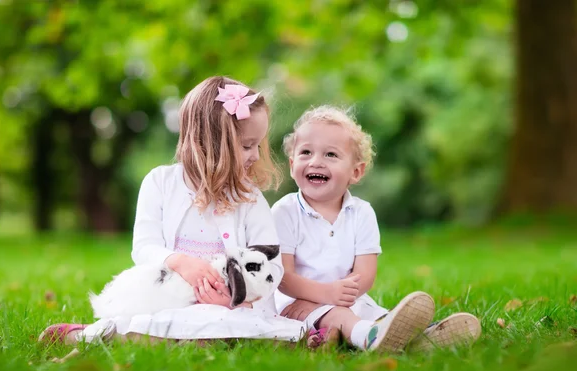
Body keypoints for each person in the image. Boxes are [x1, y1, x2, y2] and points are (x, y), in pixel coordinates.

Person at [39, 76, 304, 345]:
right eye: (247, 146)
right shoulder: (160, 183)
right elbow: (144, 247)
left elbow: (271, 264)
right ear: (209, 142)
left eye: (257, 145)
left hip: (234, 309)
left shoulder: (249, 198)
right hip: (172, 303)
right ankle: (90, 336)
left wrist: (235, 299)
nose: (256, 156)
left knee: (255, 336)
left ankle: (167, 338)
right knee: (165, 329)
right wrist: (180, 262)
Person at [272, 105, 481, 352]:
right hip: (295, 304)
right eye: (306, 152)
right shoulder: (284, 211)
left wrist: (347, 293)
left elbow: (365, 272)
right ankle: (369, 337)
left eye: (330, 155)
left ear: (356, 171)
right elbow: (282, 277)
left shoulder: (361, 213)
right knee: (339, 314)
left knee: (372, 313)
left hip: (346, 299)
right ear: (292, 163)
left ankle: (418, 339)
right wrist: (327, 294)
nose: (316, 161)